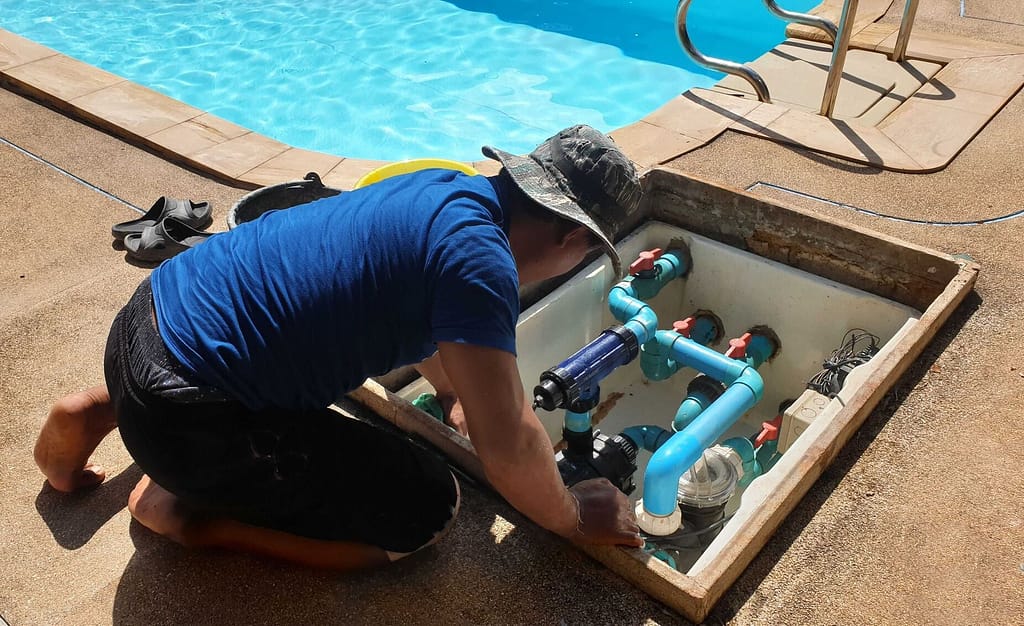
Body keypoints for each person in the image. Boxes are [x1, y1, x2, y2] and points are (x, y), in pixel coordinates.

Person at [34, 124, 645, 570]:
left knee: (238, 346)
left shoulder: (444, 190)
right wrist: (570, 515)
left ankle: (91, 411)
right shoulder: (482, 267)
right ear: (572, 236)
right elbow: (509, 443)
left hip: (147, 317)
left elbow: (425, 317)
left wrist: (452, 391)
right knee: (426, 512)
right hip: (190, 418)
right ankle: (191, 518)